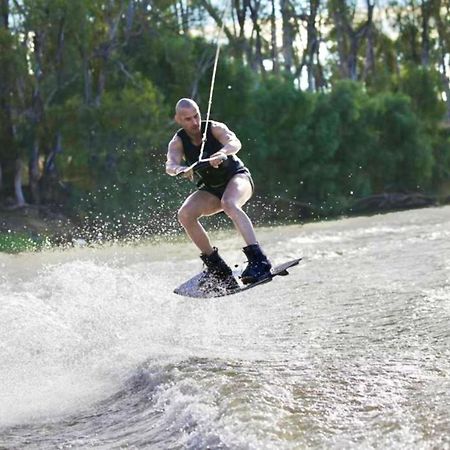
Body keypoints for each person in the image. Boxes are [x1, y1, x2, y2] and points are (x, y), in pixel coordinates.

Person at [165, 98, 271, 287]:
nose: (195, 122)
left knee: (229, 203)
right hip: (212, 189)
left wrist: (223, 153)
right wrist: (181, 169)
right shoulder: (177, 142)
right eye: (188, 119)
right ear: (178, 119)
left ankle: (259, 261)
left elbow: (234, 142)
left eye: (196, 116)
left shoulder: (214, 128)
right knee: (185, 214)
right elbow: (170, 165)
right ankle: (218, 269)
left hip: (237, 178)